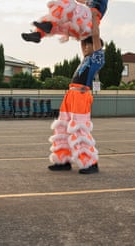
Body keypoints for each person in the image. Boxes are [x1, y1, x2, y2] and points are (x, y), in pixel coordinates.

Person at [48, 10, 104, 174]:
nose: (84, 47)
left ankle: (91, 163)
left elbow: (95, 35)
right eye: (84, 44)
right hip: (70, 95)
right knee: (62, 127)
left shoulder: (97, 57)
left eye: (88, 44)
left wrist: (93, 17)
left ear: (95, 46)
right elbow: (82, 37)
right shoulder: (85, 58)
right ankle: (63, 160)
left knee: (79, 129)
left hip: (80, 95)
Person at [22, 0, 117, 43]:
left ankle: (49, 25)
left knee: (66, 4)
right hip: (82, 27)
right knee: (60, 24)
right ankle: (38, 34)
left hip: (90, 23)